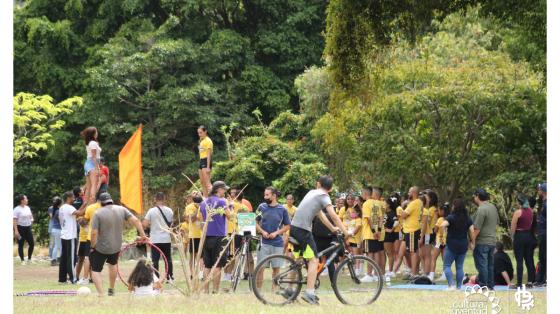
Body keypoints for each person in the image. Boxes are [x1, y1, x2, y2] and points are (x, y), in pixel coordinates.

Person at [284, 175, 348, 305]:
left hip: (295, 228)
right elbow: (334, 216)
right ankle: (310, 293)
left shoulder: (313, 192)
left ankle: (289, 289)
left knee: (299, 259)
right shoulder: (324, 196)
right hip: (303, 230)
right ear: (330, 189)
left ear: (318, 184)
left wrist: (333, 229)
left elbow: (320, 214)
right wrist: (346, 232)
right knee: (314, 260)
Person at [90, 192, 147, 297]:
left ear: (100, 202)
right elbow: (136, 221)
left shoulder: (97, 213)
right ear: (111, 200)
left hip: (101, 247)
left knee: (95, 270)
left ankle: (101, 294)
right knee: (112, 265)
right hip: (116, 245)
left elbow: (94, 233)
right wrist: (143, 235)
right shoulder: (121, 209)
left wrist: (93, 246)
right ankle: (111, 289)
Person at [199, 181, 233, 293]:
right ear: (218, 189)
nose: (225, 191)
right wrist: (230, 206)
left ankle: (206, 290)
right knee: (217, 265)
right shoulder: (221, 202)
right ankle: (215, 290)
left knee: (207, 265)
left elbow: (201, 221)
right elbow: (230, 217)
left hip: (206, 237)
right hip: (219, 237)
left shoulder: (203, 203)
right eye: (224, 189)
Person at [255, 187, 291, 289]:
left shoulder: (282, 209)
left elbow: (288, 226)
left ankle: (274, 291)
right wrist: (262, 231)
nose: (265, 197)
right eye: (264, 195)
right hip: (263, 242)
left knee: (276, 269)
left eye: (267, 195)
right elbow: (255, 222)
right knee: (260, 268)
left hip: (278, 244)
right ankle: (258, 291)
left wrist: (276, 233)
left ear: (274, 196)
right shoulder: (261, 207)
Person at [438, 198, 474, 290]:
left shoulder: (451, 217)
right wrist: (472, 242)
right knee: (459, 267)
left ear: (455, 207)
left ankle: (451, 285)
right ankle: (458, 287)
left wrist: (441, 236)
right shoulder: (468, 219)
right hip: (463, 245)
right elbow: (471, 231)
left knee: (447, 265)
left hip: (451, 245)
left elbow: (442, 225)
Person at [143, 192, 174, 282]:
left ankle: (156, 278)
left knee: (155, 260)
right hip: (166, 239)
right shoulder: (170, 210)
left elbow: (144, 224)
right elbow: (171, 224)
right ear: (164, 199)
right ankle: (169, 277)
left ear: (155, 199)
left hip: (155, 239)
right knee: (168, 259)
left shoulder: (151, 211)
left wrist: (151, 225)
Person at [471, 188, 499, 290]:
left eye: (474, 196)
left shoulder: (481, 209)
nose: (474, 198)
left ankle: (483, 285)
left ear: (477, 196)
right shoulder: (493, 207)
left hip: (482, 242)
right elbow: (496, 224)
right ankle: (490, 285)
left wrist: (472, 241)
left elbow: (477, 228)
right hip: (492, 241)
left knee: (482, 265)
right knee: (490, 265)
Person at [393, 186, 422, 277]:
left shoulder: (414, 203)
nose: (408, 194)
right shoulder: (417, 202)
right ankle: (393, 272)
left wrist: (400, 207)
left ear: (413, 193)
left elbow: (403, 215)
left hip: (412, 230)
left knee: (413, 252)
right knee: (402, 252)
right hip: (407, 231)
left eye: (409, 192)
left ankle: (414, 273)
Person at [58, 191, 87, 284]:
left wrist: (84, 204)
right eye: (73, 197)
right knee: (71, 258)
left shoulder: (62, 207)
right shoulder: (69, 207)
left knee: (64, 258)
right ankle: (73, 279)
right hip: (70, 236)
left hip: (64, 235)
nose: (74, 198)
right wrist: (87, 205)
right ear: (68, 198)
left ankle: (62, 279)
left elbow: (77, 213)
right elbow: (81, 213)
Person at [510, 193, 536, 288]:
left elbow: (513, 227)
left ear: (519, 202)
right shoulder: (531, 211)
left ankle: (519, 283)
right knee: (529, 259)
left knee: (519, 260)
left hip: (520, 236)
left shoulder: (518, 212)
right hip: (529, 235)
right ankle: (530, 282)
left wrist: (512, 237)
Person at [76, 195, 102, 285]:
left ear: (96, 199)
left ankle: (86, 278)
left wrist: (80, 220)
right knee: (98, 258)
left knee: (87, 258)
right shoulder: (108, 208)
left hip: (90, 237)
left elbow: (84, 221)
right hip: (103, 237)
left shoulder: (90, 208)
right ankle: (95, 278)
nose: (91, 198)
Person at [360, 187, 385, 282]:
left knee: (369, 254)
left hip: (369, 233)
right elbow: (381, 218)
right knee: (377, 253)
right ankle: (376, 274)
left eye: (362, 193)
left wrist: (374, 232)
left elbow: (368, 219)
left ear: (365, 193)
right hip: (377, 233)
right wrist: (378, 230)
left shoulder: (366, 204)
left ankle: (369, 274)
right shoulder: (378, 203)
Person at [340, 194, 362, 275]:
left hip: (354, 235)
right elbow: (339, 220)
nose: (350, 200)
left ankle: (357, 270)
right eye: (348, 199)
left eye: (352, 199)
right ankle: (344, 268)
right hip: (345, 233)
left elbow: (359, 224)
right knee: (347, 252)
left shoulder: (357, 209)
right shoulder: (343, 209)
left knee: (355, 252)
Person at [183, 191, 204, 279]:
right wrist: (197, 211)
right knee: (192, 256)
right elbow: (190, 220)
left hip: (202, 235)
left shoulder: (204, 205)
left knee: (201, 256)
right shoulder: (189, 207)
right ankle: (192, 274)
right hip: (193, 235)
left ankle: (201, 274)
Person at [80, 126, 102, 204]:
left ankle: (86, 204)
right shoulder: (93, 143)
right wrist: (97, 168)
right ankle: (92, 202)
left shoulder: (91, 143)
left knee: (89, 186)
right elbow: (94, 156)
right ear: (93, 134)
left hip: (89, 163)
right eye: (96, 132)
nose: (97, 133)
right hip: (92, 163)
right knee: (94, 184)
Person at [13, 194, 34, 265]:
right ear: (22, 200)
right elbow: (14, 220)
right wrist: (16, 230)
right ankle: (22, 260)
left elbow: (31, 216)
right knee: (21, 244)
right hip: (20, 228)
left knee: (32, 243)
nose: (27, 200)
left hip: (28, 228)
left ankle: (29, 259)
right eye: (26, 199)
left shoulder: (27, 208)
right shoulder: (16, 209)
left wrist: (31, 221)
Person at [383, 194, 400, 281]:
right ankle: (388, 270)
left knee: (390, 253)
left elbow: (396, 221)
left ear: (388, 205)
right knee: (388, 253)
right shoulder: (385, 213)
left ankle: (390, 270)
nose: (383, 205)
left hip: (388, 236)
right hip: (385, 235)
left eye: (384, 203)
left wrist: (391, 229)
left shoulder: (391, 213)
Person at [422, 190, 438, 281]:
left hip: (429, 232)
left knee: (427, 255)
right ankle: (425, 272)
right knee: (423, 254)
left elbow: (430, 221)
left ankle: (427, 273)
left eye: (426, 196)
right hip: (427, 232)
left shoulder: (432, 209)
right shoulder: (429, 209)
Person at [432, 202, 450, 282]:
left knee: (433, 258)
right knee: (445, 260)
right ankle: (444, 275)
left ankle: (431, 275)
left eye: (439, 210)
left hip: (440, 241)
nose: (438, 212)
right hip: (447, 241)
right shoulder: (449, 219)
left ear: (442, 211)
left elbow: (435, 230)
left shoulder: (440, 219)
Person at [535, 183, 546, 286]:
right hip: (542, 234)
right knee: (542, 256)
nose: (538, 191)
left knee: (543, 257)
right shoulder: (544, 202)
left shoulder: (547, 204)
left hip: (545, 234)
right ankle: (541, 279)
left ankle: (542, 280)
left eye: (539, 189)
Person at [197, 125, 213, 197]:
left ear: (205, 132)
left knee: (207, 183)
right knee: (202, 182)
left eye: (201, 132)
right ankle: (205, 198)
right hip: (201, 160)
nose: (199, 134)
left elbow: (209, 154)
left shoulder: (208, 141)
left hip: (206, 161)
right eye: (198, 133)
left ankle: (213, 198)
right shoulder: (202, 141)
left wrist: (208, 166)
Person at [48, 197, 63, 266]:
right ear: (60, 203)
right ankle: (55, 260)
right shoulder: (58, 211)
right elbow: (61, 222)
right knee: (58, 246)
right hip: (58, 230)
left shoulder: (53, 209)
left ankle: (55, 259)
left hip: (54, 229)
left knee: (57, 245)